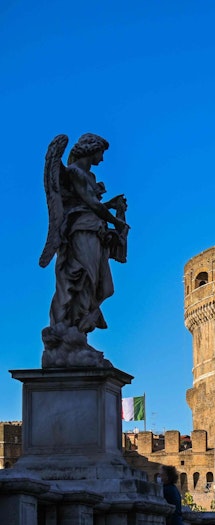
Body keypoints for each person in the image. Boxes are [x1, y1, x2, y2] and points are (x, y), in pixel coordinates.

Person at [41, 133, 129, 364]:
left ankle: (78, 332)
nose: (102, 158)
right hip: (81, 232)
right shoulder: (74, 172)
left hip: (95, 233)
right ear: (92, 150)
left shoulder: (88, 175)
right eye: (101, 152)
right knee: (82, 279)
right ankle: (68, 332)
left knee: (104, 287)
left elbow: (90, 202)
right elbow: (90, 204)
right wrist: (116, 220)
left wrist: (111, 207)